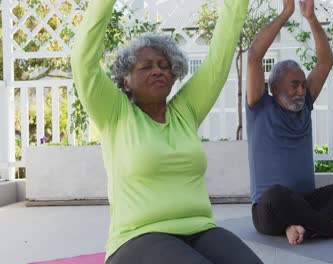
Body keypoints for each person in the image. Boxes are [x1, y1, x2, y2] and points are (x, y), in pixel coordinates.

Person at [71, 0, 263, 263]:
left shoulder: (186, 110)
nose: (158, 71)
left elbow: (220, 55)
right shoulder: (115, 114)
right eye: (146, 67)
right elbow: (84, 62)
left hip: (200, 228)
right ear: (125, 80)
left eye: (164, 66)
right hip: (137, 236)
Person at [246, 0, 333, 245]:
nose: (301, 90)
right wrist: (286, 13)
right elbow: (254, 57)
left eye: (303, 84)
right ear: (274, 88)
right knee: (275, 194)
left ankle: (304, 227)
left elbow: (325, 62)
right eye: (294, 85)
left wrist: (311, 19)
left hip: (307, 202)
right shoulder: (259, 105)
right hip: (270, 210)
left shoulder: (305, 104)